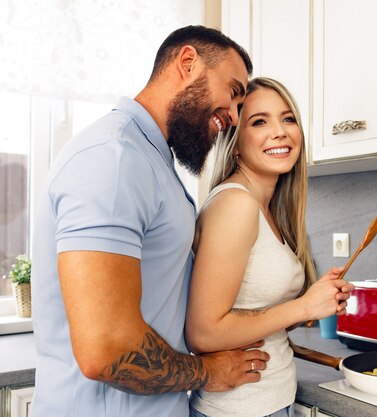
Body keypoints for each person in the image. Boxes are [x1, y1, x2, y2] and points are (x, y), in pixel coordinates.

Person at [30, 26, 270, 417]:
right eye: (232, 92)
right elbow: (107, 351)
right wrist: (207, 372)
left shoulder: (151, 160)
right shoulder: (115, 158)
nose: (233, 116)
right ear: (188, 62)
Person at [185, 77, 355, 417]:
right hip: (238, 409)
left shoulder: (268, 209)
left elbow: (255, 313)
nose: (280, 131)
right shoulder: (236, 205)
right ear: (234, 142)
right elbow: (203, 333)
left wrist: (317, 300)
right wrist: (304, 308)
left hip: (270, 402)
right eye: (259, 121)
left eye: (288, 118)